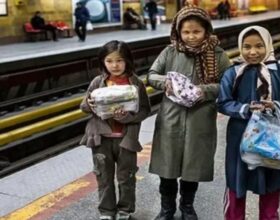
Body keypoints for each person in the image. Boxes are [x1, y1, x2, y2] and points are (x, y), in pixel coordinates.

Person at [147, 5, 231, 220]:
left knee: (192, 167)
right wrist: (165, 82)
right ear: (178, 32)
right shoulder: (170, 51)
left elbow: (228, 85)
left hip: (200, 118)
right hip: (170, 118)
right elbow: (151, 75)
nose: (191, 37)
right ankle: (167, 209)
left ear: (206, 31)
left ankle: (187, 207)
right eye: (186, 32)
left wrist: (204, 91)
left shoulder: (218, 55)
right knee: (167, 166)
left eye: (196, 31)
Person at [217, 26, 280, 220]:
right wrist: (245, 109)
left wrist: (276, 105)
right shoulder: (233, 73)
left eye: (259, 46)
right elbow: (222, 103)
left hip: (273, 139)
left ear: (268, 45)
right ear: (240, 47)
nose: (253, 52)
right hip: (240, 137)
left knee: (271, 182)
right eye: (246, 46)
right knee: (236, 182)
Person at [80, 40, 151, 220]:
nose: (115, 65)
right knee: (103, 176)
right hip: (100, 139)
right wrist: (89, 104)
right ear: (103, 62)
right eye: (109, 61)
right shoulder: (98, 82)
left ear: (127, 61)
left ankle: (125, 210)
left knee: (126, 177)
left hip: (126, 140)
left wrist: (127, 118)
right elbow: (84, 106)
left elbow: (145, 110)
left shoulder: (135, 83)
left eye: (119, 60)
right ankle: (106, 212)